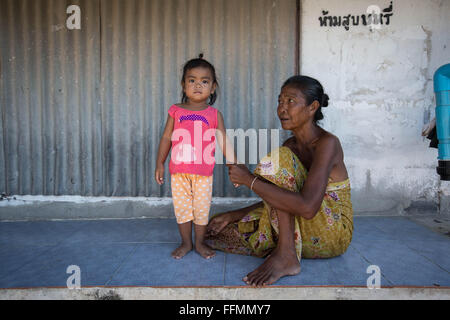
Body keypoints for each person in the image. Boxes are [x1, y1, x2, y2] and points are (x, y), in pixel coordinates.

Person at [205, 75, 353, 286]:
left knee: (278, 159)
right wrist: (234, 214)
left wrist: (249, 180)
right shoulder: (291, 145)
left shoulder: (327, 144)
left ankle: (285, 255)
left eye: (291, 101)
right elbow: (286, 197)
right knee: (214, 232)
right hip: (304, 235)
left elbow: (308, 207)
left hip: (332, 236)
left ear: (312, 107)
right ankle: (286, 247)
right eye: (280, 101)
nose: (282, 108)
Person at [155, 54, 236, 260]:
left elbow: (223, 139)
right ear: (184, 85)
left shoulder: (214, 114)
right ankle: (186, 242)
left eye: (204, 81)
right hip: (179, 172)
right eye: (192, 80)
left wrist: (234, 165)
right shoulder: (176, 110)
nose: (198, 85)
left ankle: (199, 243)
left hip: (203, 174)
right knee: (182, 209)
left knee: (201, 209)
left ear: (213, 87)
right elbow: (167, 137)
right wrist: (160, 163)